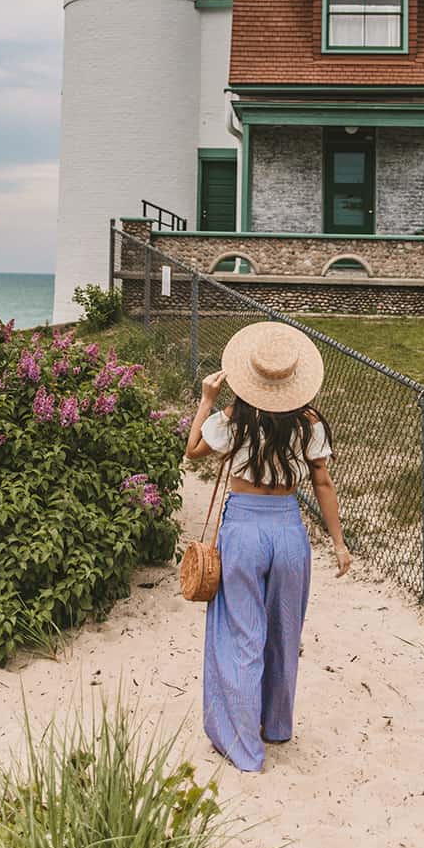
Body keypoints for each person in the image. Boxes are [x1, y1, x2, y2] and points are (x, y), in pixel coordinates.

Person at [185, 320, 351, 773]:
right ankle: (275, 725)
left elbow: (193, 449)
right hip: (289, 530)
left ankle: (243, 746)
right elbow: (322, 481)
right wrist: (338, 544)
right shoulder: (310, 422)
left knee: (242, 632)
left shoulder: (234, 418)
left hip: (243, 528)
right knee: (283, 631)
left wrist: (206, 398)